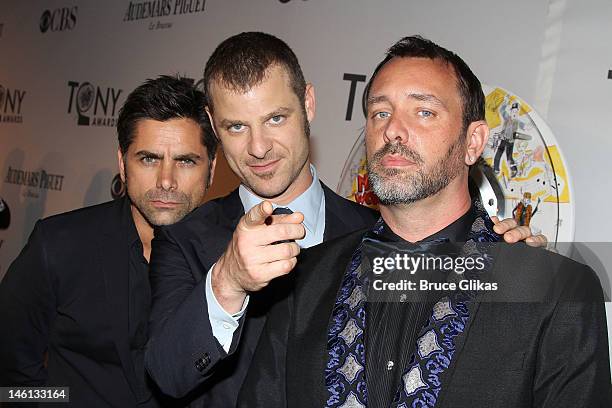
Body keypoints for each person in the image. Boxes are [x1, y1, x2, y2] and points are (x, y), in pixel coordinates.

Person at [144, 32, 542, 407]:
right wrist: (228, 279)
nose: (259, 147)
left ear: (309, 104)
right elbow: (167, 375)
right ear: (215, 127)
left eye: (276, 118)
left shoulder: (374, 230)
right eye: (236, 127)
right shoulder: (184, 240)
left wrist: (503, 260)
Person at [237, 36, 611, 407]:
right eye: (380, 113)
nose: (393, 130)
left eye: (424, 112)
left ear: (473, 141)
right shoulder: (305, 281)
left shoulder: (556, 293)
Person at [0, 75, 217, 407]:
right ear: (122, 163)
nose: (166, 181)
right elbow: (11, 376)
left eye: (186, 161)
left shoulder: (233, 260)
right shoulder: (59, 245)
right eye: (149, 159)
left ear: (212, 169)